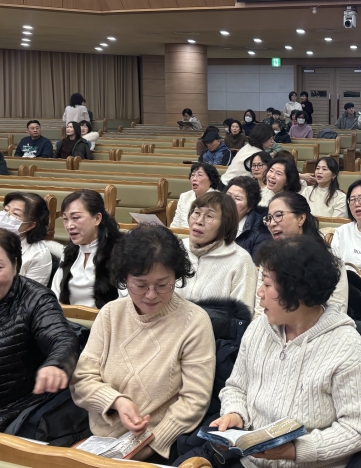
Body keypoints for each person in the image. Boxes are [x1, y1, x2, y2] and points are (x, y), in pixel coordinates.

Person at [212, 235, 361, 467]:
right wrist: (235, 414)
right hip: (249, 461)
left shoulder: (349, 350)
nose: (259, 292)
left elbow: (358, 430)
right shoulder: (259, 328)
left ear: (297, 292)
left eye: (267, 284)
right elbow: (236, 387)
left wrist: (296, 450)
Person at [71, 226, 215, 462]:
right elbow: (82, 379)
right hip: (99, 441)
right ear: (125, 279)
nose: (151, 295)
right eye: (140, 285)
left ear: (176, 277)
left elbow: (194, 401)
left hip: (157, 447)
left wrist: (147, 445)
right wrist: (117, 401)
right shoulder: (111, 314)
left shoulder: (194, 322)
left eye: (163, 285)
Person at [0, 229, 79, 432]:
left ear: (15, 265)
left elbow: (62, 338)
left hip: (16, 409)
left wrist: (55, 365)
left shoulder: (36, 299)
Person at [263, 192, 348, 314]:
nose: (271, 223)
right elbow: (260, 310)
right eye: (269, 218)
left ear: (301, 218)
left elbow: (337, 311)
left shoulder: (329, 259)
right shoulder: (269, 258)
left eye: (278, 215)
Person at [179, 191, 258, 310]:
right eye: (196, 213)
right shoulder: (177, 248)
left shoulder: (240, 260)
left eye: (209, 216)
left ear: (225, 224)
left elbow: (241, 315)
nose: (199, 221)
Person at [51, 190, 122, 308]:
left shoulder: (119, 252)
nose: (69, 226)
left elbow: (126, 302)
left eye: (76, 218)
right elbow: (55, 294)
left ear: (97, 218)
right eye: (65, 219)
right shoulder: (69, 252)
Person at [2, 192, 52, 285]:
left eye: (15, 214)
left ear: (30, 225)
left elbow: (32, 292)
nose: (6, 216)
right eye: (6, 210)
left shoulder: (38, 255)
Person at [226, 176, 272, 264]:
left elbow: (256, 267)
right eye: (228, 195)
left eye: (238, 199)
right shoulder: (213, 219)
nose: (229, 201)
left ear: (249, 207)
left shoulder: (261, 232)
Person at [171, 163, 219, 228]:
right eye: (192, 175)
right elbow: (175, 225)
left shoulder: (218, 199)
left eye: (200, 175)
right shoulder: (184, 196)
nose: (194, 179)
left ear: (211, 180)